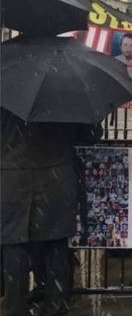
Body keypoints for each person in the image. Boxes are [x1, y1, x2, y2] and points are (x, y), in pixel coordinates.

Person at [1, 109, 102, 316]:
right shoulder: (65, 98)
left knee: (14, 244)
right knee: (55, 245)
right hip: (56, 178)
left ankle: (15, 308)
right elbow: (89, 136)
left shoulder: (5, 95)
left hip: (12, 179)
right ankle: (55, 306)